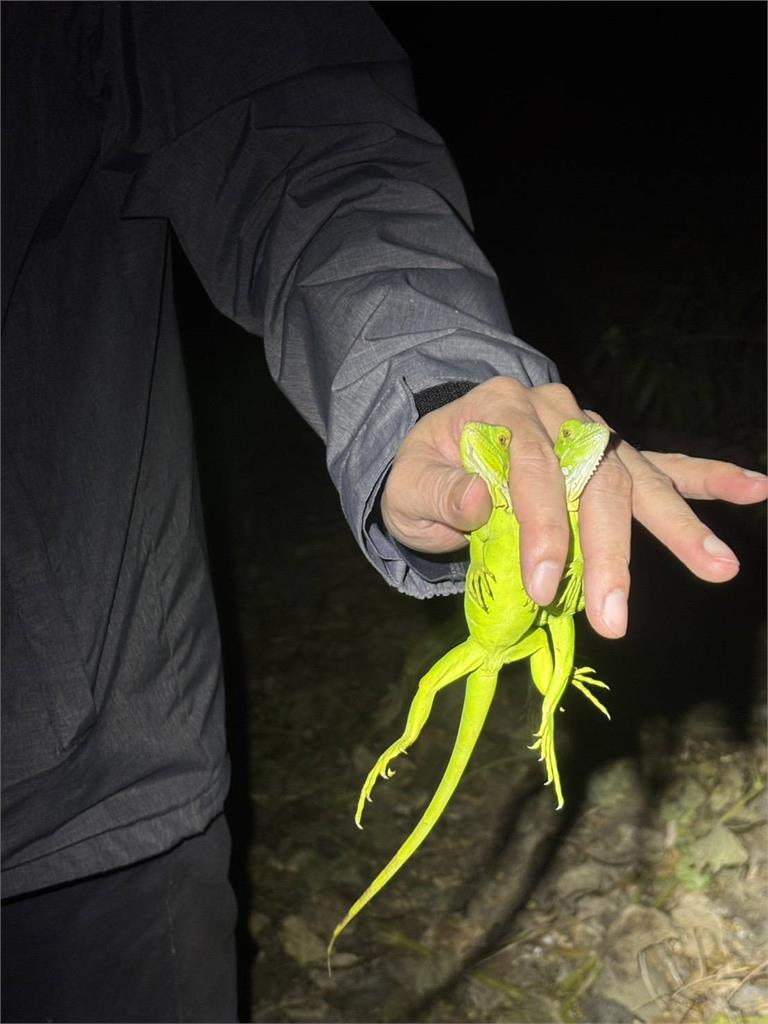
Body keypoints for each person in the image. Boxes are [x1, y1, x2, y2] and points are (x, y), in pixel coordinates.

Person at [2, 4, 765, 1023]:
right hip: (473, 645)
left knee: (501, 688)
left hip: (93, 793)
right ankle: (425, 751)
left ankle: (501, 739)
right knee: (441, 714)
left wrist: (442, 378)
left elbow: (293, 124)